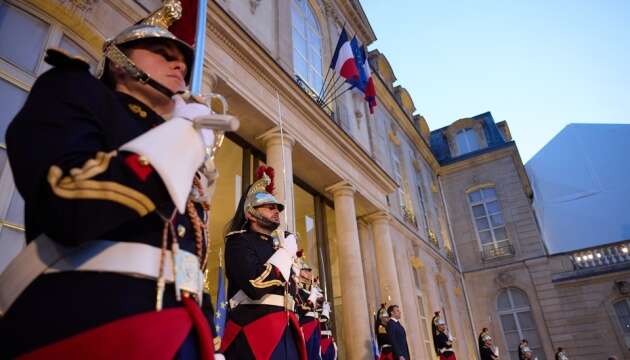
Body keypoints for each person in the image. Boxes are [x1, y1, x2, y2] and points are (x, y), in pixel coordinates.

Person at [0, 0, 228, 358]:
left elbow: (188, 258)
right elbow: (70, 203)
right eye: (160, 51)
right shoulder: (75, 89)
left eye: (181, 58)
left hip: (180, 332)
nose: (180, 64)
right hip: (91, 323)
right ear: (120, 59)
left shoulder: (172, 138)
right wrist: (183, 136)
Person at [221, 166, 306, 359]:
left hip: (288, 329)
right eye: (270, 207)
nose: (276, 211)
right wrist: (285, 254)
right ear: (251, 213)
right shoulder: (238, 241)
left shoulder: (279, 246)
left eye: (277, 208)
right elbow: (254, 285)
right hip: (255, 330)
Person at [294, 252, 324, 360]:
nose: (309, 274)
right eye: (306, 271)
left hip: (314, 324)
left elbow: (320, 305)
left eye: (309, 271)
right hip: (305, 324)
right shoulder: (298, 290)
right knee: (308, 353)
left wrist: (316, 295)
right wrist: (311, 300)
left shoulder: (311, 290)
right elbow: (301, 308)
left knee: (316, 353)